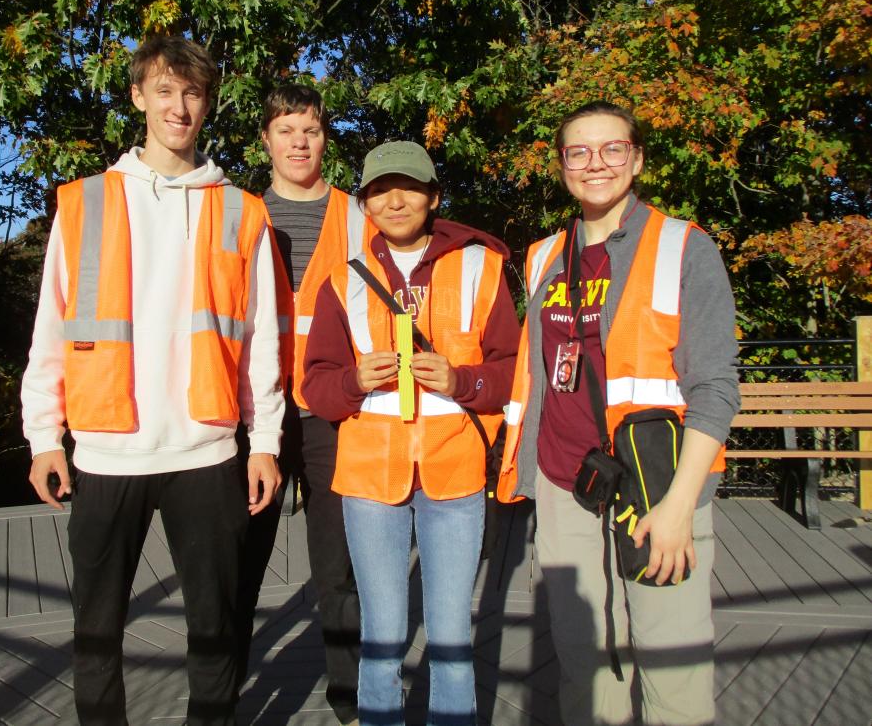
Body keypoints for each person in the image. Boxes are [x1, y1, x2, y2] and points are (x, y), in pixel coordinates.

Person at [21, 36, 285, 726]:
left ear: (207, 104)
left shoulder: (242, 209)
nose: (180, 106)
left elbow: (262, 342)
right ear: (137, 97)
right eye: (164, 91)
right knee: (96, 633)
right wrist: (43, 436)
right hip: (108, 453)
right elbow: (51, 325)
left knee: (215, 629)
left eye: (193, 92)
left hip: (207, 452)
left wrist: (265, 443)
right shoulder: (84, 203)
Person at [497, 101, 740, 725]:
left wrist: (680, 506)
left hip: (656, 485)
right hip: (566, 483)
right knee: (583, 664)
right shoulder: (544, 255)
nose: (595, 163)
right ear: (561, 166)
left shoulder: (684, 246)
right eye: (578, 151)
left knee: (671, 660)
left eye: (612, 149)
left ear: (636, 159)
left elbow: (716, 388)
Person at [302, 141, 520, 726]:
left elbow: (511, 373)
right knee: (381, 630)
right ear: (366, 203)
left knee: (450, 633)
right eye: (378, 190)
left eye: (408, 188)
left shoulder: (481, 266)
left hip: (455, 473)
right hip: (371, 477)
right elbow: (315, 387)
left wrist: (463, 380)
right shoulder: (341, 278)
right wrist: (351, 380)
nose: (394, 200)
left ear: (433, 197)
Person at [234, 84, 366, 725]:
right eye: (285, 130)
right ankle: (222, 692)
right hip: (253, 414)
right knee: (239, 562)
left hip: (332, 411)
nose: (298, 142)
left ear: (324, 138)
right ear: (266, 140)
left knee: (337, 565)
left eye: (309, 130)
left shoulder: (358, 216)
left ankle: (350, 696)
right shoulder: (238, 215)